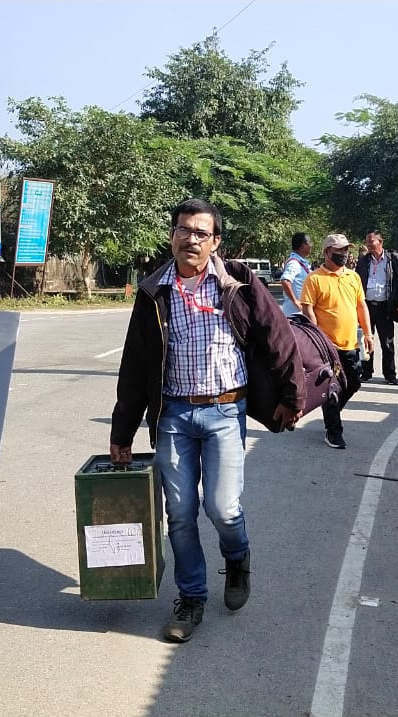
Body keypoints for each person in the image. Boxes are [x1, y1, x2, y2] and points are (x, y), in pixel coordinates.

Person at [109, 198, 302, 643]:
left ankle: (237, 559)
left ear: (215, 241)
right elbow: (136, 364)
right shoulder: (154, 290)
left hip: (224, 411)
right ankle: (191, 597)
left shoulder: (238, 282)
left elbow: (278, 337)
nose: (190, 239)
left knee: (222, 507)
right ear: (172, 235)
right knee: (179, 513)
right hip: (174, 413)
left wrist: (291, 396)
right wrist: (122, 430)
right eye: (183, 230)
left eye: (201, 233)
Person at [301, 234, 373, 450]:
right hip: (327, 347)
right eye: (339, 250)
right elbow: (307, 309)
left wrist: (368, 334)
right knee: (332, 388)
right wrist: (317, 338)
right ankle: (334, 432)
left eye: (345, 250)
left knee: (353, 384)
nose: (344, 254)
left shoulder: (353, 277)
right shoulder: (314, 279)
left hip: (351, 343)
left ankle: (330, 412)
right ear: (326, 252)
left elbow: (361, 306)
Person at [353, 231, 398, 385]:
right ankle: (366, 372)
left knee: (387, 342)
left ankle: (390, 374)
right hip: (366, 306)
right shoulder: (363, 261)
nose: (368, 244)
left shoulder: (394, 260)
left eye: (371, 241)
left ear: (380, 242)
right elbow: (356, 282)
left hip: (385, 306)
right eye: (367, 241)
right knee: (365, 339)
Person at [278, 232, 313, 317]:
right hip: (295, 314)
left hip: (301, 313)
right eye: (309, 242)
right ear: (303, 245)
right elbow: (285, 281)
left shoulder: (302, 263)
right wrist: (296, 301)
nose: (311, 245)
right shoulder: (294, 263)